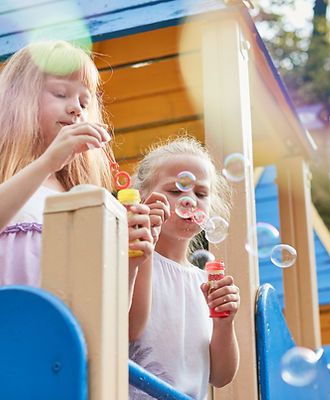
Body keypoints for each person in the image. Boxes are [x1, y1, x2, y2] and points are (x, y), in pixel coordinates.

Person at [0, 40, 165, 338]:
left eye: (85, 102)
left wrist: (132, 262)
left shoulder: (77, 198)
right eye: (61, 93)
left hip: (59, 361)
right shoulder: (7, 174)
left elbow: (119, 326)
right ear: (17, 98)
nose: (76, 108)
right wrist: (47, 162)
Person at [129, 136, 240, 399]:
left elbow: (221, 376)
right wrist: (144, 240)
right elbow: (129, 328)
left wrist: (225, 323)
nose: (189, 200)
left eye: (200, 193)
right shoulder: (131, 264)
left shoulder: (205, 281)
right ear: (143, 196)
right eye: (176, 191)